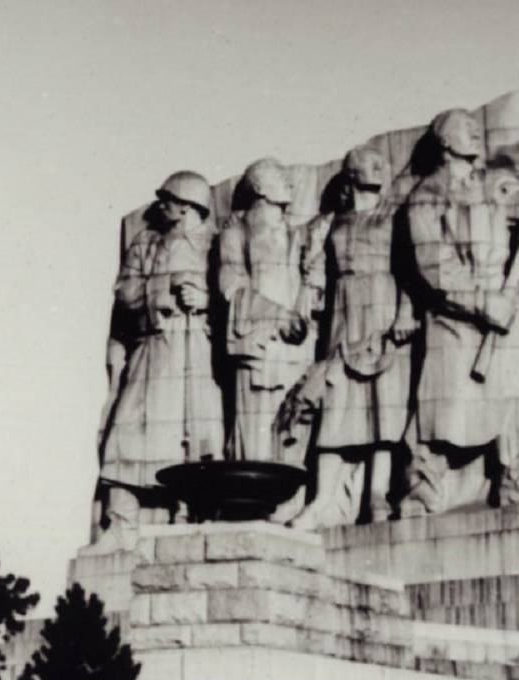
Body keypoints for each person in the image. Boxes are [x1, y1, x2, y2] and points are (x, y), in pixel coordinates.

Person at [399, 109, 519, 516]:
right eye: (465, 129)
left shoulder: (491, 186)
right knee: (445, 412)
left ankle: (518, 483)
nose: (476, 133)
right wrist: (481, 303)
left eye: (477, 128)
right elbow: (433, 265)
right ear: (444, 141)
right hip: (456, 319)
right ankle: (421, 490)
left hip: (503, 310)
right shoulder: (427, 195)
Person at [92, 170, 223, 536]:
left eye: (168, 200)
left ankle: (189, 513)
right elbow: (125, 293)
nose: (161, 206)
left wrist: (205, 299)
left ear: (186, 207)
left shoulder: (215, 243)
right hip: (153, 346)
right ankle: (120, 519)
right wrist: (162, 290)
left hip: (198, 347)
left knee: (196, 437)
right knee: (126, 428)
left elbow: (233, 292)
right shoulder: (146, 243)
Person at [287, 145, 407, 528]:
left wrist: (405, 313)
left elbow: (410, 269)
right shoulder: (333, 222)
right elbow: (315, 274)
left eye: (382, 162)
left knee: (382, 403)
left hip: (383, 305)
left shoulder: (395, 215)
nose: (380, 167)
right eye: (371, 163)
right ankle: (322, 499)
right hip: (342, 313)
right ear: (351, 174)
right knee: (336, 403)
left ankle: (377, 494)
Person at [217, 158, 315, 463]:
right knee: (255, 438)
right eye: (279, 177)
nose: (289, 182)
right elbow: (231, 285)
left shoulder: (296, 234)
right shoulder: (237, 230)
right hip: (259, 344)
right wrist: (276, 315)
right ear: (259, 187)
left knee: (294, 433)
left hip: (296, 346)